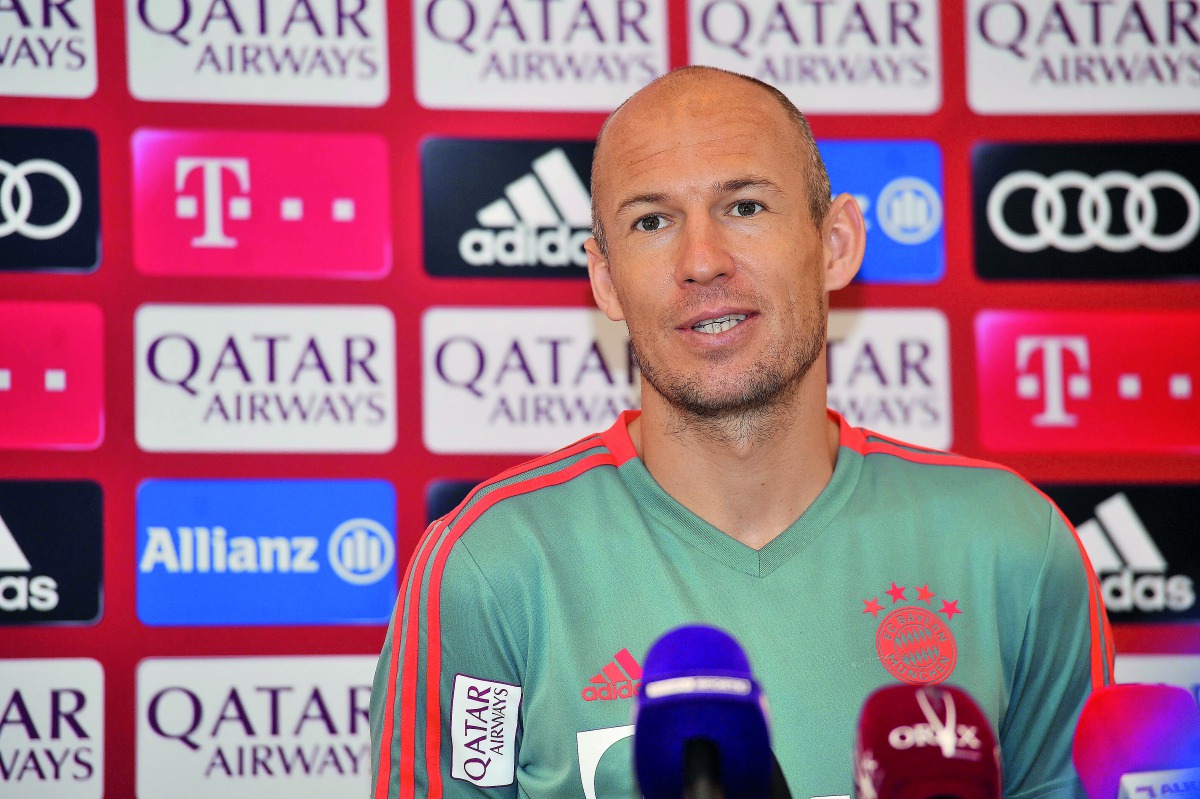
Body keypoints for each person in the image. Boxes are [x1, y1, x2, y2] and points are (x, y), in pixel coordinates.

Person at [370, 66, 1113, 799]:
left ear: (836, 243)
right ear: (604, 279)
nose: (702, 262)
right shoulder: (489, 568)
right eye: (652, 221)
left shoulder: (1017, 546)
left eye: (746, 206)